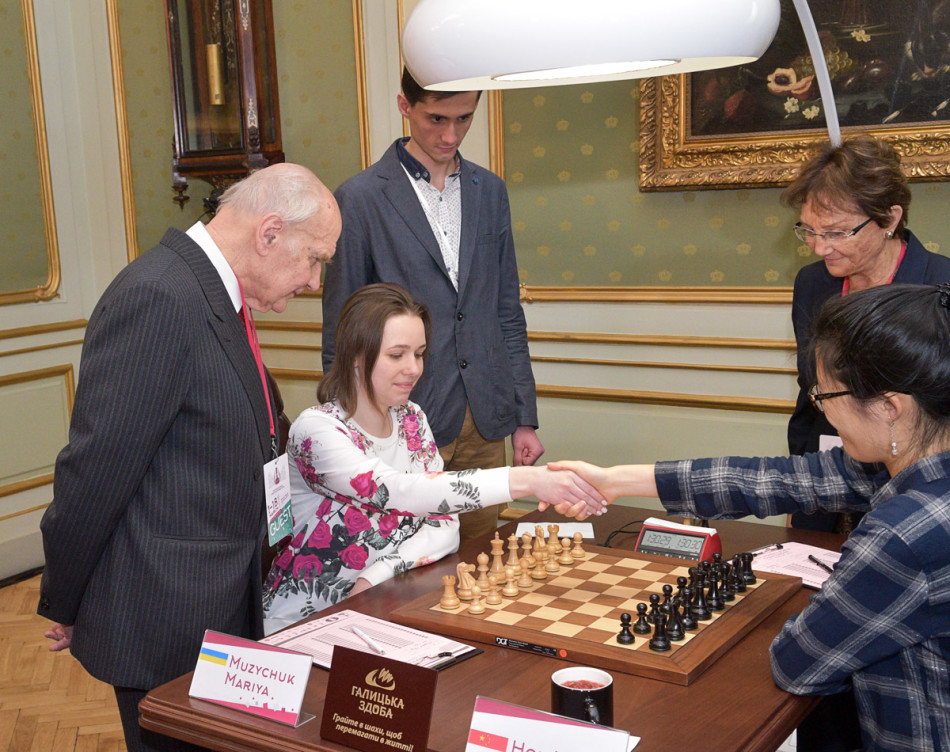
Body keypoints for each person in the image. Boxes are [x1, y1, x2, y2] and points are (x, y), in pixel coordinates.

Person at [552, 283, 950, 752]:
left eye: (825, 395)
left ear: (889, 407)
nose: (823, 410)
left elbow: (797, 663)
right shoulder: (917, 462)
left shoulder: (903, 535)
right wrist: (616, 480)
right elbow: (778, 479)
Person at [37, 163, 341, 752]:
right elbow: (96, 471)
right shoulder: (159, 296)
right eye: (314, 259)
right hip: (168, 618)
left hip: (221, 600)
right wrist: (70, 596)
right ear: (270, 233)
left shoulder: (214, 292)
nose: (313, 281)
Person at [264, 283, 605, 634]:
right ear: (355, 355)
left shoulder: (412, 418)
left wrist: (375, 575)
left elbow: (444, 524)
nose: (413, 368)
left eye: (420, 353)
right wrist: (526, 480)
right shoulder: (317, 430)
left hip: (383, 603)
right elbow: (395, 491)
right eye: (397, 355)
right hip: (303, 621)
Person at [322, 67, 542, 543]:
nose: (450, 135)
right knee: (407, 562)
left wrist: (523, 417)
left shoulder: (490, 191)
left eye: (464, 119)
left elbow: (506, 311)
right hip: (400, 420)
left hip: (486, 420)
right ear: (405, 106)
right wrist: (346, 431)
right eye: (436, 119)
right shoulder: (359, 198)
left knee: (481, 559)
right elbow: (341, 328)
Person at [782, 134, 950, 532]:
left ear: (889, 219)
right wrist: (800, 497)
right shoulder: (812, 283)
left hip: (916, 506)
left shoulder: (940, 284)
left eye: (837, 232)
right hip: (824, 486)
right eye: (809, 230)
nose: (819, 247)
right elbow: (810, 397)